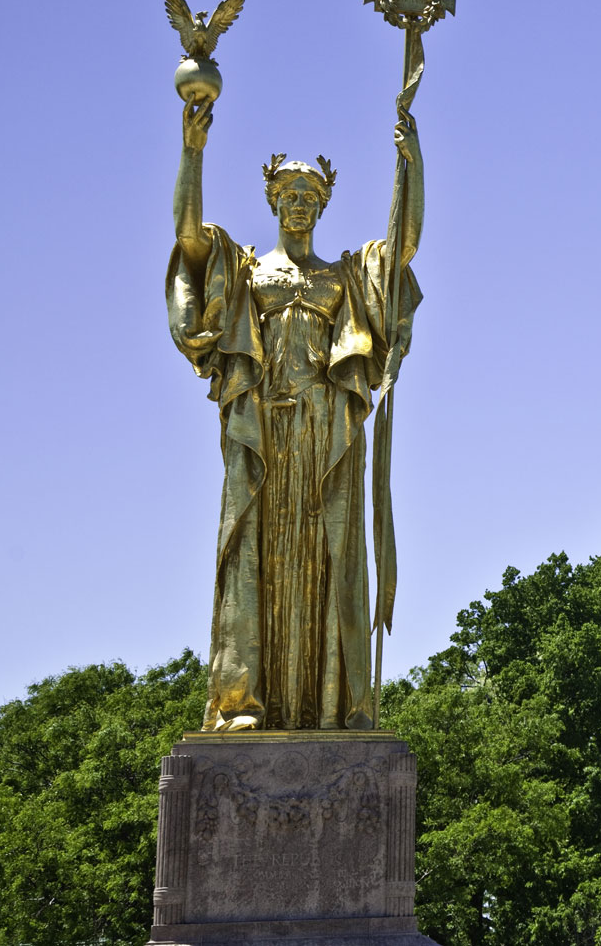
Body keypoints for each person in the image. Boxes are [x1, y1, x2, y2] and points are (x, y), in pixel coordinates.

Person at [167, 97, 422, 730]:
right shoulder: (248, 271)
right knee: (258, 555)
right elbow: (189, 241)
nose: (300, 201)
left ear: (324, 203)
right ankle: (245, 701)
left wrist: (411, 164)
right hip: (264, 431)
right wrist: (192, 154)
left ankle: (328, 705)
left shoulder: (345, 275)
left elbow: (404, 248)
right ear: (273, 201)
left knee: (325, 560)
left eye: (311, 192)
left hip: (326, 430)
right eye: (289, 192)